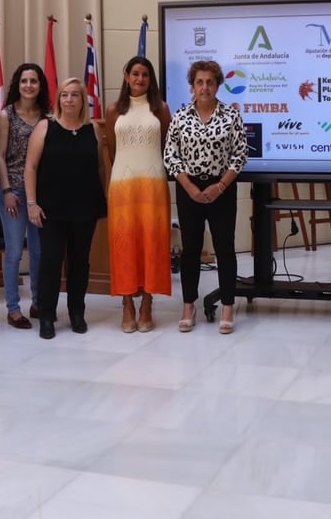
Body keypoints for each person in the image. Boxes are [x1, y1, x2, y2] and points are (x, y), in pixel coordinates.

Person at [163, 60, 248, 334]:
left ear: (218, 84)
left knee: (225, 249)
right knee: (190, 250)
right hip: (189, 191)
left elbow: (240, 155)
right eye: (200, 82)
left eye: (210, 82)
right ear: (192, 86)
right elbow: (170, 155)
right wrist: (189, 188)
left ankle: (227, 306)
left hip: (221, 190)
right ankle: (189, 306)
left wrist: (220, 186)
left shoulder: (231, 116)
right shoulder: (181, 115)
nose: (205, 87)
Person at [24, 78, 108, 340]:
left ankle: (77, 312)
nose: (69, 100)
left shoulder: (92, 129)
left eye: (75, 95)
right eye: (64, 95)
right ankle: (47, 316)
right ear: (58, 99)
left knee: (80, 262)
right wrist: (31, 203)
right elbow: (30, 168)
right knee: (51, 261)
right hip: (51, 209)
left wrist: (101, 198)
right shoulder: (45, 127)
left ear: (83, 100)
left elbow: (100, 168)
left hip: (85, 207)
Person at [106, 56, 173, 333]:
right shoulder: (113, 110)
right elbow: (111, 150)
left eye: (145, 74)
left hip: (154, 185)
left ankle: (147, 303)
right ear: (126, 76)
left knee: (152, 244)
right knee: (124, 244)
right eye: (135, 73)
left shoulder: (161, 108)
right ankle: (127, 304)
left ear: (151, 78)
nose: (140, 79)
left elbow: (167, 146)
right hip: (122, 186)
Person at [0, 62, 51, 329]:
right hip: (14, 193)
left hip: (41, 194)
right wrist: (6, 190)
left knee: (39, 251)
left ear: (41, 86)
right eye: (24, 81)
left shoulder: (48, 116)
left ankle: (39, 302)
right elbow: (0, 158)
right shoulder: (7, 115)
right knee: (15, 252)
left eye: (34, 81)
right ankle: (13, 308)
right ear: (18, 84)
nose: (29, 85)